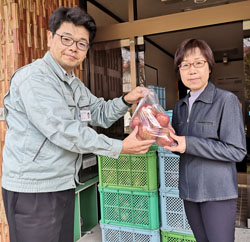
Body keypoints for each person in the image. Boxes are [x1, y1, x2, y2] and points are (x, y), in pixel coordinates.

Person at [1, 7, 155, 242]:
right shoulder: (35, 78)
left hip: (61, 183)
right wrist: (120, 147)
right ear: (49, 38)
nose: (73, 47)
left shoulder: (73, 83)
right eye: (66, 39)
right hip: (34, 189)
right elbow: (64, 131)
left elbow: (99, 112)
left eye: (82, 43)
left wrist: (126, 99)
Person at [165, 39, 247, 242]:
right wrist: (169, 141)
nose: (191, 70)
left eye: (198, 63)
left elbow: (236, 151)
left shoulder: (225, 100)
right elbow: (181, 147)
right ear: (179, 70)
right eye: (185, 65)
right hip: (189, 191)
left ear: (209, 67)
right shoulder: (179, 107)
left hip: (217, 193)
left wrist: (189, 143)